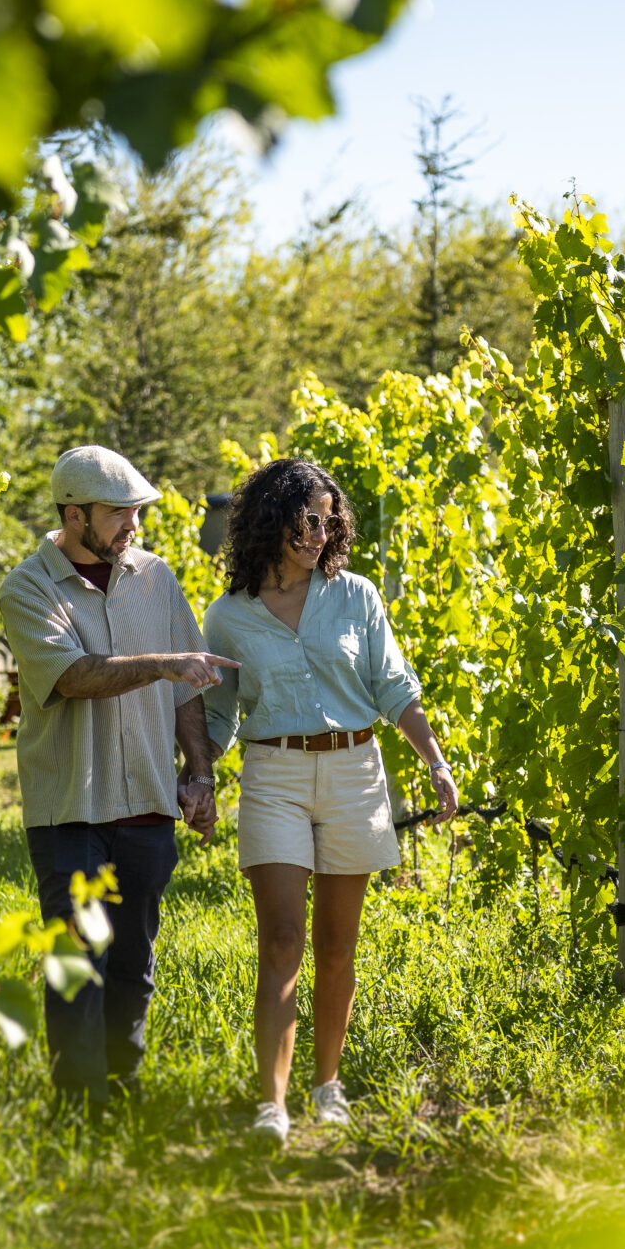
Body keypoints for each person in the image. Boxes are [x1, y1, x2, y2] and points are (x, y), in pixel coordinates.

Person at [200, 457, 460, 1145]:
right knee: (281, 939)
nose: (319, 532)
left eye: (328, 519)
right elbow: (220, 716)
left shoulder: (356, 596)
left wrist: (434, 759)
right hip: (274, 774)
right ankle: (272, 1105)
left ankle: (328, 1084)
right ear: (272, 519)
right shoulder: (228, 617)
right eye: (305, 518)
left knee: (336, 946)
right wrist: (193, 776)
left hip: (354, 771)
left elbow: (394, 686)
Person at [0, 445, 236, 1111]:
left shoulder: (156, 577)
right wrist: (163, 663)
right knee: (78, 958)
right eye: (119, 512)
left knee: (133, 958)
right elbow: (72, 677)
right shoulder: (28, 587)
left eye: (138, 510)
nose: (133, 522)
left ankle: (120, 1081)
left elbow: (190, 688)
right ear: (75, 515)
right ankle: (77, 1100)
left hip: (148, 800)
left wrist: (198, 772)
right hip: (70, 805)